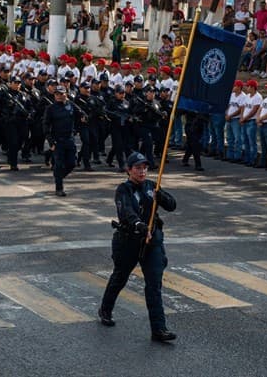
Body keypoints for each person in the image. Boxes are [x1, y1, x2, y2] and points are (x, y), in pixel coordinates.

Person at [99, 152, 178, 342]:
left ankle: (158, 329)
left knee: (154, 284)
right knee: (120, 276)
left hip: (152, 242)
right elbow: (126, 212)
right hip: (129, 241)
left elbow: (172, 205)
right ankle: (105, 309)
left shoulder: (152, 186)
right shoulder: (123, 190)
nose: (142, 171)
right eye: (137, 168)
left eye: (144, 168)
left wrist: (162, 197)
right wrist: (139, 225)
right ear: (129, 170)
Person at [44, 85, 86, 196]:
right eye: (57, 94)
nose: (59, 96)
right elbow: (46, 126)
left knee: (72, 163)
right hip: (57, 140)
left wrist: (80, 121)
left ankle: (59, 177)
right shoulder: (51, 109)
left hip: (69, 139)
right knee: (59, 164)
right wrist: (51, 142)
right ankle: (59, 188)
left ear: (65, 94)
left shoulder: (71, 105)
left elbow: (80, 114)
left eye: (61, 94)